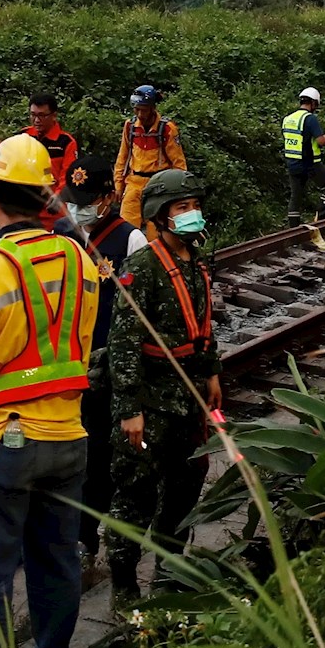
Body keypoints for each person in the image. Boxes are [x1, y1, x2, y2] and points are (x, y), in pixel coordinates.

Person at [0, 134, 100, 648]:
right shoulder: (80, 260)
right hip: (70, 437)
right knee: (57, 565)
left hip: (0, 444)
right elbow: (79, 344)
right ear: (46, 198)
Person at [105, 169, 222, 609]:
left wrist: (211, 373)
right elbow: (123, 343)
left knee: (184, 489)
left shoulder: (196, 262)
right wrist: (129, 408)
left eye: (195, 206)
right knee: (133, 496)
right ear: (160, 215)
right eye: (182, 208)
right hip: (150, 402)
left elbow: (203, 327)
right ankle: (123, 586)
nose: (192, 215)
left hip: (188, 399)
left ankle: (169, 576)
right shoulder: (143, 268)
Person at [53, 156, 148, 570]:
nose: (77, 210)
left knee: (100, 453)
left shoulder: (130, 240)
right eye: (72, 201)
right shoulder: (60, 235)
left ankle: (90, 536)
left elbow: (140, 311)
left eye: (86, 201)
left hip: (110, 363)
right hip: (66, 360)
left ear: (108, 198)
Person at [113, 84, 186, 237]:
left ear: (152, 108)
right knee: (125, 231)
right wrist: (118, 185)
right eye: (136, 109)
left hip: (157, 185)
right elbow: (123, 157)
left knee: (156, 233)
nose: (140, 114)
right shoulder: (130, 126)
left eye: (144, 109)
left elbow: (178, 163)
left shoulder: (166, 129)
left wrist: (178, 193)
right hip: (134, 182)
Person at [282, 87, 325, 227]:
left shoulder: (288, 119)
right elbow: (320, 141)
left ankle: (293, 228)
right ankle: (321, 214)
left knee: (296, 196)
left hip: (292, 164)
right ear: (313, 103)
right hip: (310, 164)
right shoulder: (310, 119)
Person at [22, 91, 78, 229]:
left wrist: (58, 196)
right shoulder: (23, 137)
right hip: (24, 211)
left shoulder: (65, 142)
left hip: (52, 212)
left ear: (54, 116)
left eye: (42, 116)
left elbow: (68, 176)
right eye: (33, 115)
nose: (36, 120)